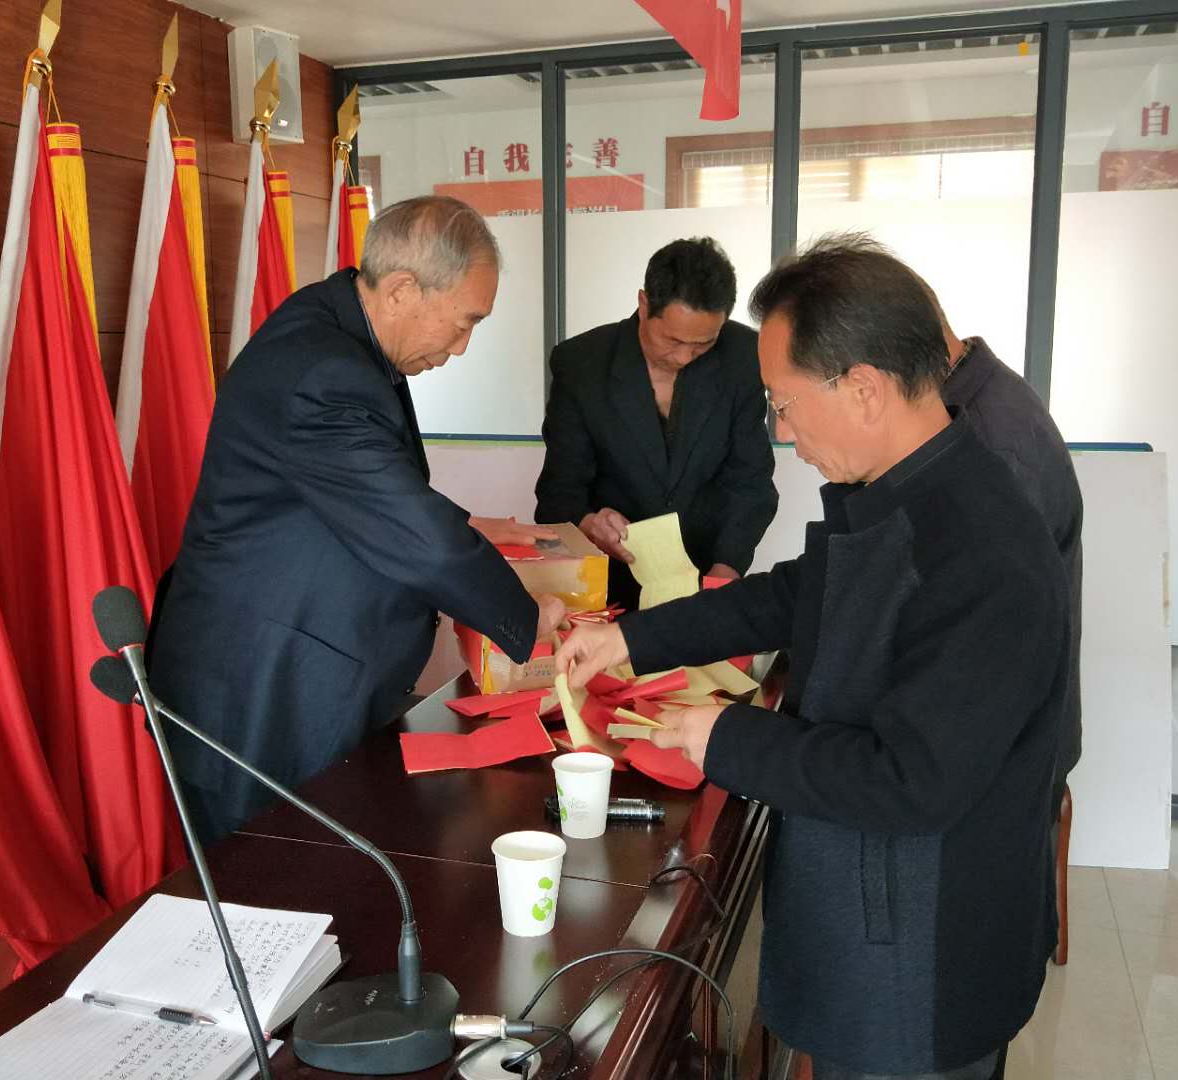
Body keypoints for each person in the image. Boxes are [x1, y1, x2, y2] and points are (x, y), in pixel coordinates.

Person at [557, 234, 1070, 1080]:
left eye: (785, 404)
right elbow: (794, 595)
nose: (784, 433)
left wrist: (723, 737)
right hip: (877, 930)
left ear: (863, 387)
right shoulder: (913, 486)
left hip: (921, 966)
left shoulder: (983, 546)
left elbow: (912, 781)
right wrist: (631, 637)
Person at [149, 196, 565, 842]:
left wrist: (468, 525)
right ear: (401, 290)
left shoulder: (339, 329)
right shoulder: (324, 371)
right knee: (269, 873)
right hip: (262, 690)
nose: (462, 347)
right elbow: (417, 537)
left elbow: (358, 486)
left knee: (321, 867)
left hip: (294, 667)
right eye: (464, 323)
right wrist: (528, 618)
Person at [534, 237, 777, 607]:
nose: (684, 357)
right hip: (608, 584)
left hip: (705, 577)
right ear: (644, 304)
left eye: (703, 344)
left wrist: (726, 568)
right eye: (672, 340)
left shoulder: (742, 356)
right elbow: (558, 492)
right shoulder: (583, 364)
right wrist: (588, 523)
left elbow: (750, 480)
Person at [926, 285, 1084, 818]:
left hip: (1009, 752)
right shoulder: (978, 398)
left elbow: (982, 625)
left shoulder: (992, 439)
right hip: (1002, 735)